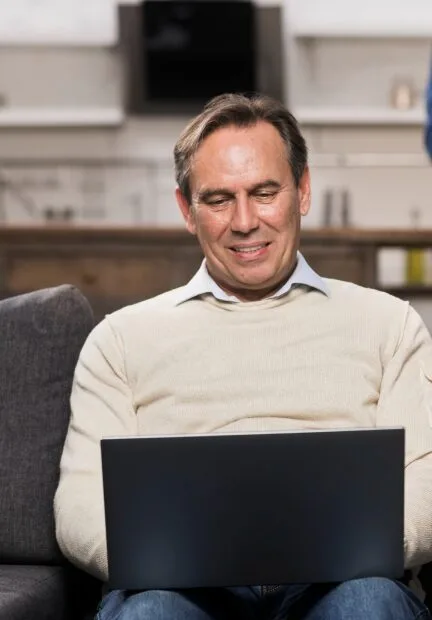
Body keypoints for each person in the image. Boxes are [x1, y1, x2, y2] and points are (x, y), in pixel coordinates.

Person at [54, 93, 432, 620]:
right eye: (218, 199)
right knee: (150, 614)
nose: (245, 221)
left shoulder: (390, 325)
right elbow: (79, 505)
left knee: (367, 602)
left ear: (302, 191)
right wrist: (186, 557)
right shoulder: (119, 340)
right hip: (179, 587)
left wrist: (324, 545)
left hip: (344, 580)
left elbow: (426, 479)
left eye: (264, 192)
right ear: (188, 210)